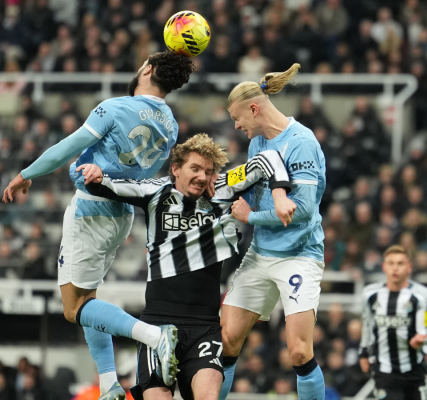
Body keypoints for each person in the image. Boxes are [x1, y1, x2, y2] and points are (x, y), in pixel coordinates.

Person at [2, 51, 195, 400]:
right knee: (90, 300)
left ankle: (155, 336)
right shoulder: (170, 123)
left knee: (73, 308)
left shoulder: (115, 107)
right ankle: (109, 384)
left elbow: (68, 147)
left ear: (148, 69)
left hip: (92, 209)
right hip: (122, 213)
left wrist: (26, 173)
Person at [78, 133, 292, 400]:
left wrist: (279, 195)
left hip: (205, 327)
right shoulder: (155, 191)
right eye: (195, 168)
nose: (202, 177)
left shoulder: (224, 186)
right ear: (176, 169)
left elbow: (268, 159)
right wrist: (97, 175)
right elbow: (108, 185)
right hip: (157, 325)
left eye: (208, 171)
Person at [219, 63, 326, 400]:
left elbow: (303, 209)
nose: (236, 126)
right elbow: (251, 187)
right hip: (260, 253)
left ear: (254, 109)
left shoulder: (301, 142)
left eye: (237, 118)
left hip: (299, 255)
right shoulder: (258, 142)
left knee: (299, 352)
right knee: (226, 339)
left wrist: (251, 217)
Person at [359, 245, 427, 400]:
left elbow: (426, 327)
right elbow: (367, 326)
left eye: (400, 263)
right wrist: (363, 354)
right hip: (383, 369)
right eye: (391, 263)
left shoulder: (422, 295)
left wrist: (423, 343)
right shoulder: (370, 295)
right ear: (384, 267)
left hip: (415, 368)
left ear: (409, 267)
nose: (395, 268)